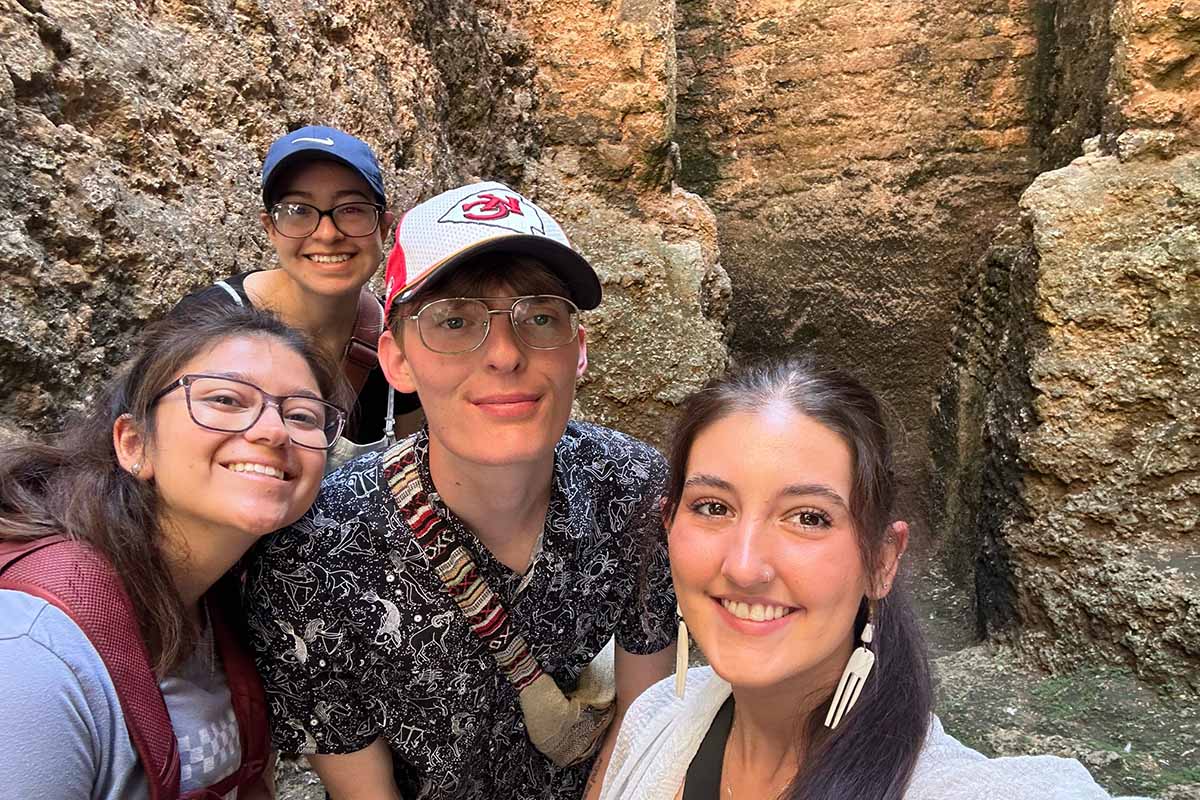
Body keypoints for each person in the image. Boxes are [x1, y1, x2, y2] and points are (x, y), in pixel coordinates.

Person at [244, 181, 677, 799]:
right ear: (397, 361)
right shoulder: (316, 556)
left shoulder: (633, 490)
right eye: (454, 320)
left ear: (578, 349)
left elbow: (643, 723)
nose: (504, 354)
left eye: (540, 317)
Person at [599, 357, 1152, 800]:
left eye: (809, 517)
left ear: (882, 560)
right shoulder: (654, 720)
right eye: (713, 507)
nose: (744, 566)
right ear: (669, 526)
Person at [0, 304, 349, 799]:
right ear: (134, 444)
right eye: (226, 399)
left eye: (302, 415)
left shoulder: (225, 599)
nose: (274, 431)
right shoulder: (33, 653)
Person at [173, 124, 421, 451]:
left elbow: (405, 471)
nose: (328, 234)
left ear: (384, 227)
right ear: (270, 228)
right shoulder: (210, 320)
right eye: (299, 211)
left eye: (351, 210)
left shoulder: (398, 342)